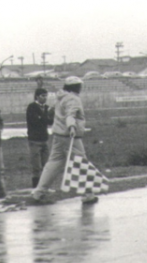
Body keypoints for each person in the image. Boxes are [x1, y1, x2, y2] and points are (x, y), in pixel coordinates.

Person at [32, 76, 98, 204]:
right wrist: (72, 127)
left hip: (58, 136)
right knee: (81, 163)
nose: (81, 88)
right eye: (80, 86)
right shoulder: (73, 99)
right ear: (76, 87)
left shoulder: (60, 97)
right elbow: (70, 115)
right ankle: (88, 194)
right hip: (70, 137)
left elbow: (55, 113)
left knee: (52, 164)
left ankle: (38, 193)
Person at [26, 87, 54, 188]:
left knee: (46, 165)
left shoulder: (46, 108)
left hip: (44, 139)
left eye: (46, 96)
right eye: (43, 96)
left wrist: (53, 115)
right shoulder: (31, 107)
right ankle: (36, 187)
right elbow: (35, 121)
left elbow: (49, 122)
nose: (45, 98)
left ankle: (43, 187)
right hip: (34, 140)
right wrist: (46, 117)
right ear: (37, 96)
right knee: (36, 166)